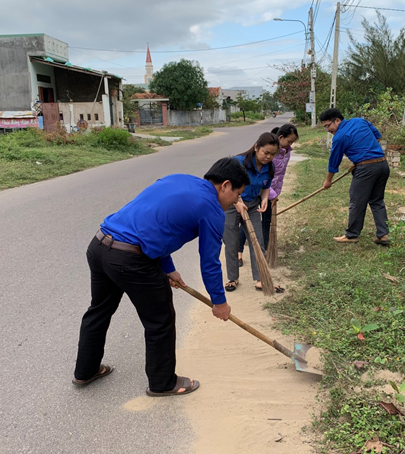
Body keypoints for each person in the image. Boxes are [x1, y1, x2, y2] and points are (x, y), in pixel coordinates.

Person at [72, 157, 250, 396]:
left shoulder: (179, 179)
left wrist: (168, 268)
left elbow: (153, 223)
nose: (235, 202)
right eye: (237, 194)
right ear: (225, 185)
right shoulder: (211, 208)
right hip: (131, 259)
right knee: (160, 320)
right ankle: (163, 382)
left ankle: (85, 371)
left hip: (100, 245)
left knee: (99, 310)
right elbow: (209, 263)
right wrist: (219, 302)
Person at [223, 132, 284, 293]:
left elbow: (265, 187)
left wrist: (264, 200)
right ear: (256, 147)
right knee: (231, 241)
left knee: (257, 240)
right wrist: (237, 202)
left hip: (253, 205)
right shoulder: (238, 163)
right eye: (266, 153)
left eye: (273, 154)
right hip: (232, 204)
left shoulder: (269, 167)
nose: (269, 157)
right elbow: (228, 187)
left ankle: (260, 279)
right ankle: (233, 278)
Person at [319, 108, 390, 245]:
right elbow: (377, 136)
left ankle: (352, 235)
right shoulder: (359, 121)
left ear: (337, 120)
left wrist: (328, 180)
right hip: (382, 165)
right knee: (377, 200)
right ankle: (383, 235)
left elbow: (334, 162)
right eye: (325, 127)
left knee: (357, 201)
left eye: (328, 126)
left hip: (366, 169)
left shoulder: (339, 137)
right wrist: (362, 156)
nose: (328, 130)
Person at [237, 124, 298, 259]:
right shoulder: (269, 155)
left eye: (292, 142)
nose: (290, 145)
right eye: (289, 141)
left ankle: (263, 252)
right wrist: (271, 194)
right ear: (281, 137)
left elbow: (279, 176)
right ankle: (239, 251)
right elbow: (260, 177)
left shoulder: (285, 153)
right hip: (257, 192)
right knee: (247, 222)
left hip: (271, 194)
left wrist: (275, 194)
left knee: (266, 222)